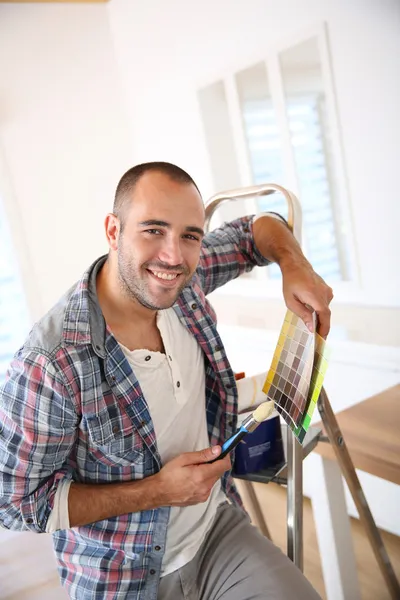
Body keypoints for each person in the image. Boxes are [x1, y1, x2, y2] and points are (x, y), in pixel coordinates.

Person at [0, 162, 332, 600]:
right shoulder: (52, 362)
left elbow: (257, 229)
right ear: (113, 231)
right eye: (153, 230)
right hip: (119, 576)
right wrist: (157, 491)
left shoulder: (184, 285)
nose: (174, 256)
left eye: (190, 235)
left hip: (216, 533)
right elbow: (17, 505)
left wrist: (296, 266)